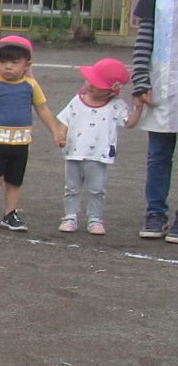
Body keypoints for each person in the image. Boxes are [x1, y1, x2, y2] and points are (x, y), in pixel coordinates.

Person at [0, 35, 66, 232]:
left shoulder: (31, 86)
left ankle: (11, 213)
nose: (8, 66)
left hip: (20, 142)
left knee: (15, 181)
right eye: (3, 62)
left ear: (26, 64)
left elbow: (43, 109)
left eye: (14, 62)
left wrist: (56, 130)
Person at [130, 0, 178, 241]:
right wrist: (140, 81)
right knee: (159, 154)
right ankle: (155, 212)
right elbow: (145, 36)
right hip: (163, 84)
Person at [58, 58, 142, 235]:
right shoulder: (77, 101)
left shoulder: (116, 106)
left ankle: (95, 218)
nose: (90, 85)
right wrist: (61, 135)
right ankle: (70, 216)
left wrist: (138, 109)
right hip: (74, 152)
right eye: (90, 80)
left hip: (99, 155)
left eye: (97, 84)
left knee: (97, 189)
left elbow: (129, 123)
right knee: (72, 187)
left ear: (112, 90)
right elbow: (65, 120)